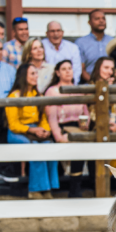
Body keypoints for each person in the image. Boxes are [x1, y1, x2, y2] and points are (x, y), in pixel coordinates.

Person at [5, 64, 58, 199]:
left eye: (36, 73)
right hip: (18, 132)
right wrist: (32, 129)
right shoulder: (13, 96)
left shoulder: (38, 95)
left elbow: (43, 118)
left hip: (36, 130)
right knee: (35, 150)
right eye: (32, 74)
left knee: (48, 147)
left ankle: (48, 187)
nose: (36, 76)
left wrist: (45, 130)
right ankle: (35, 189)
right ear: (24, 76)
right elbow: (13, 124)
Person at [43, 60, 90, 198]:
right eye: (64, 69)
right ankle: (68, 186)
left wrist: (85, 126)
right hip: (61, 127)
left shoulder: (79, 89)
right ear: (57, 73)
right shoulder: (52, 91)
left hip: (78, 126)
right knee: (74, 146)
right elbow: (51, 117)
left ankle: (77, 186)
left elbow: (85, 111)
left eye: (70, 68)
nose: (68, 71)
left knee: (84, 145)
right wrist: (58, 136)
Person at [76, 9, 109, 82]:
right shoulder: (81, 43)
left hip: (111, 85)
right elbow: (81, 69)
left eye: (103, 18)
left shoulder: (112, 41)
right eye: (97, 19)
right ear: (89, 22)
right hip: (89, 86)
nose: (101, 21)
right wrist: (94, 83)